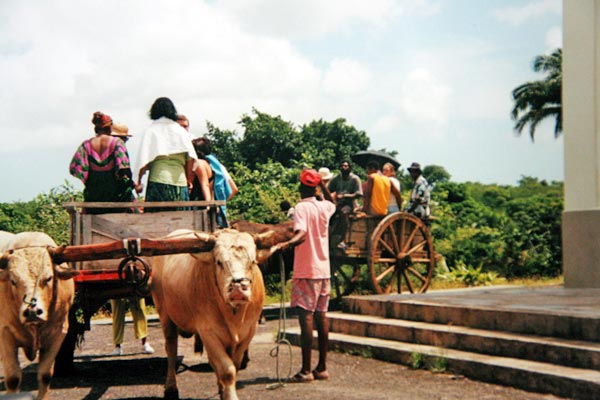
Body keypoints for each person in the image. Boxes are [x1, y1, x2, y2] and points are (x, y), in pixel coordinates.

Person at [273, 169, 336, 383]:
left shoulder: (301, 207)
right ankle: (322, 368)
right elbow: (332, 202)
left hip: (306, 269)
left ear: (301, 187)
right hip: (324, 270)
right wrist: (323, 187)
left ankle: (306, 370)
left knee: (306, 317)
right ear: (316, 187)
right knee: (322, 316)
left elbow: (301, 234)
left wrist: (285, 244)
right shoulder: (324, 207)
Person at [133, 97, 197, 210]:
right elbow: (191, 159)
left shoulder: (151, 130)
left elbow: (143, 160)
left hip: (158, 180)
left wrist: (138, 182)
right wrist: (189, 180)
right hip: (180, 182)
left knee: (156, 220)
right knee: (180, 220)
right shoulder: (180, 131)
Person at [69, 112, 135, 214]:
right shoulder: (117, 143)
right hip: (115, 195)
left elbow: (75, 168)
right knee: (128, 193)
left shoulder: (86, 145)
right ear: (109, 127)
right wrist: (132, 183)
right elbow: (124, 168)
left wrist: (91, 180)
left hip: (93, 195)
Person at [191, 136, 238, 227]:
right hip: (213, 207)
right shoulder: (214, 165)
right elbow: (232, 189)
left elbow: (204, 185)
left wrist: (208, 204)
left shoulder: (199, 164)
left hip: (201, 206)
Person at [327, 161, 362, 248]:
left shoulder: (355, 179)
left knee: (343, 212)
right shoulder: (337, 178)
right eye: (342, 166)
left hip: (350, 204)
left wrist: (345, 196)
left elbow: (359, 194)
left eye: (346, 166)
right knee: (328, 213)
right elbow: (328, 190)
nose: (344, 167)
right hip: (338, 204)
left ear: (350, 167)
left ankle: (343, 238)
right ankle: (328, 237)